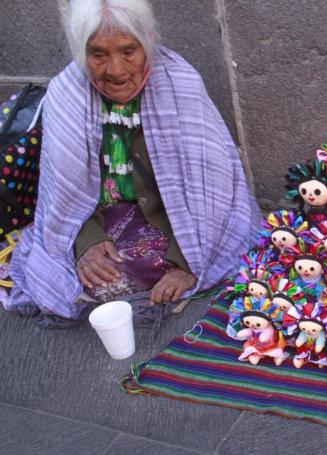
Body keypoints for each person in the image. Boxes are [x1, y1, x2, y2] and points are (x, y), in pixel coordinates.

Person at [7, 0, 260, 328]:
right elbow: (62, 193)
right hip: (105, 217)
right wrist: (87, 241)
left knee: (154, 270)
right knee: (89, 277)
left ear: (148, 41)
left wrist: (186, 263)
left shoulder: (179, 83)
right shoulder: (65, 94)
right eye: (98, 54)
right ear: (82, 53)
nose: (115, 70)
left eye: (128, 51)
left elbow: (213, 188)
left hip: (178, 219)